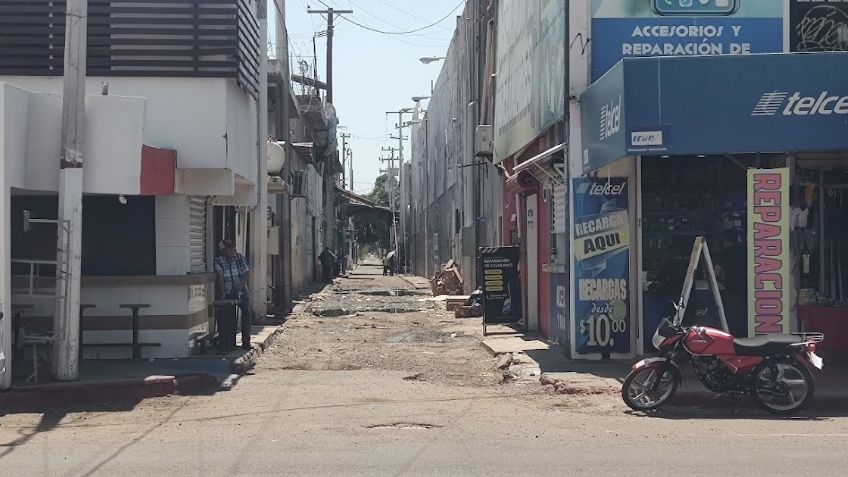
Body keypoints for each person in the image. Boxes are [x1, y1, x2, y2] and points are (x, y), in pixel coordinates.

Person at [214, 240, 252, 350]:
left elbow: (247, 274)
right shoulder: (219, 261)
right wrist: (222, 292)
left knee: (246, 313)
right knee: (228, 316)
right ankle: (229, 343)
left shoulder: (239, 258)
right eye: (229, 249)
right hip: (228, 292)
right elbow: (220, 276)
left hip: (242, 291)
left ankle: (246, 342)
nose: (232, 250)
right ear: (223, 250)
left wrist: (239, 286)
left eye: (233, 248)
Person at [715, 230, 747, 337]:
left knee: (733, 318)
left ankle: (734, 340)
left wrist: (721, 280)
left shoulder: (725, 253)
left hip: (732, 289)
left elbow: (715, 272)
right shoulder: (745, 250)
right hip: (747, 289)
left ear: (724, 241)